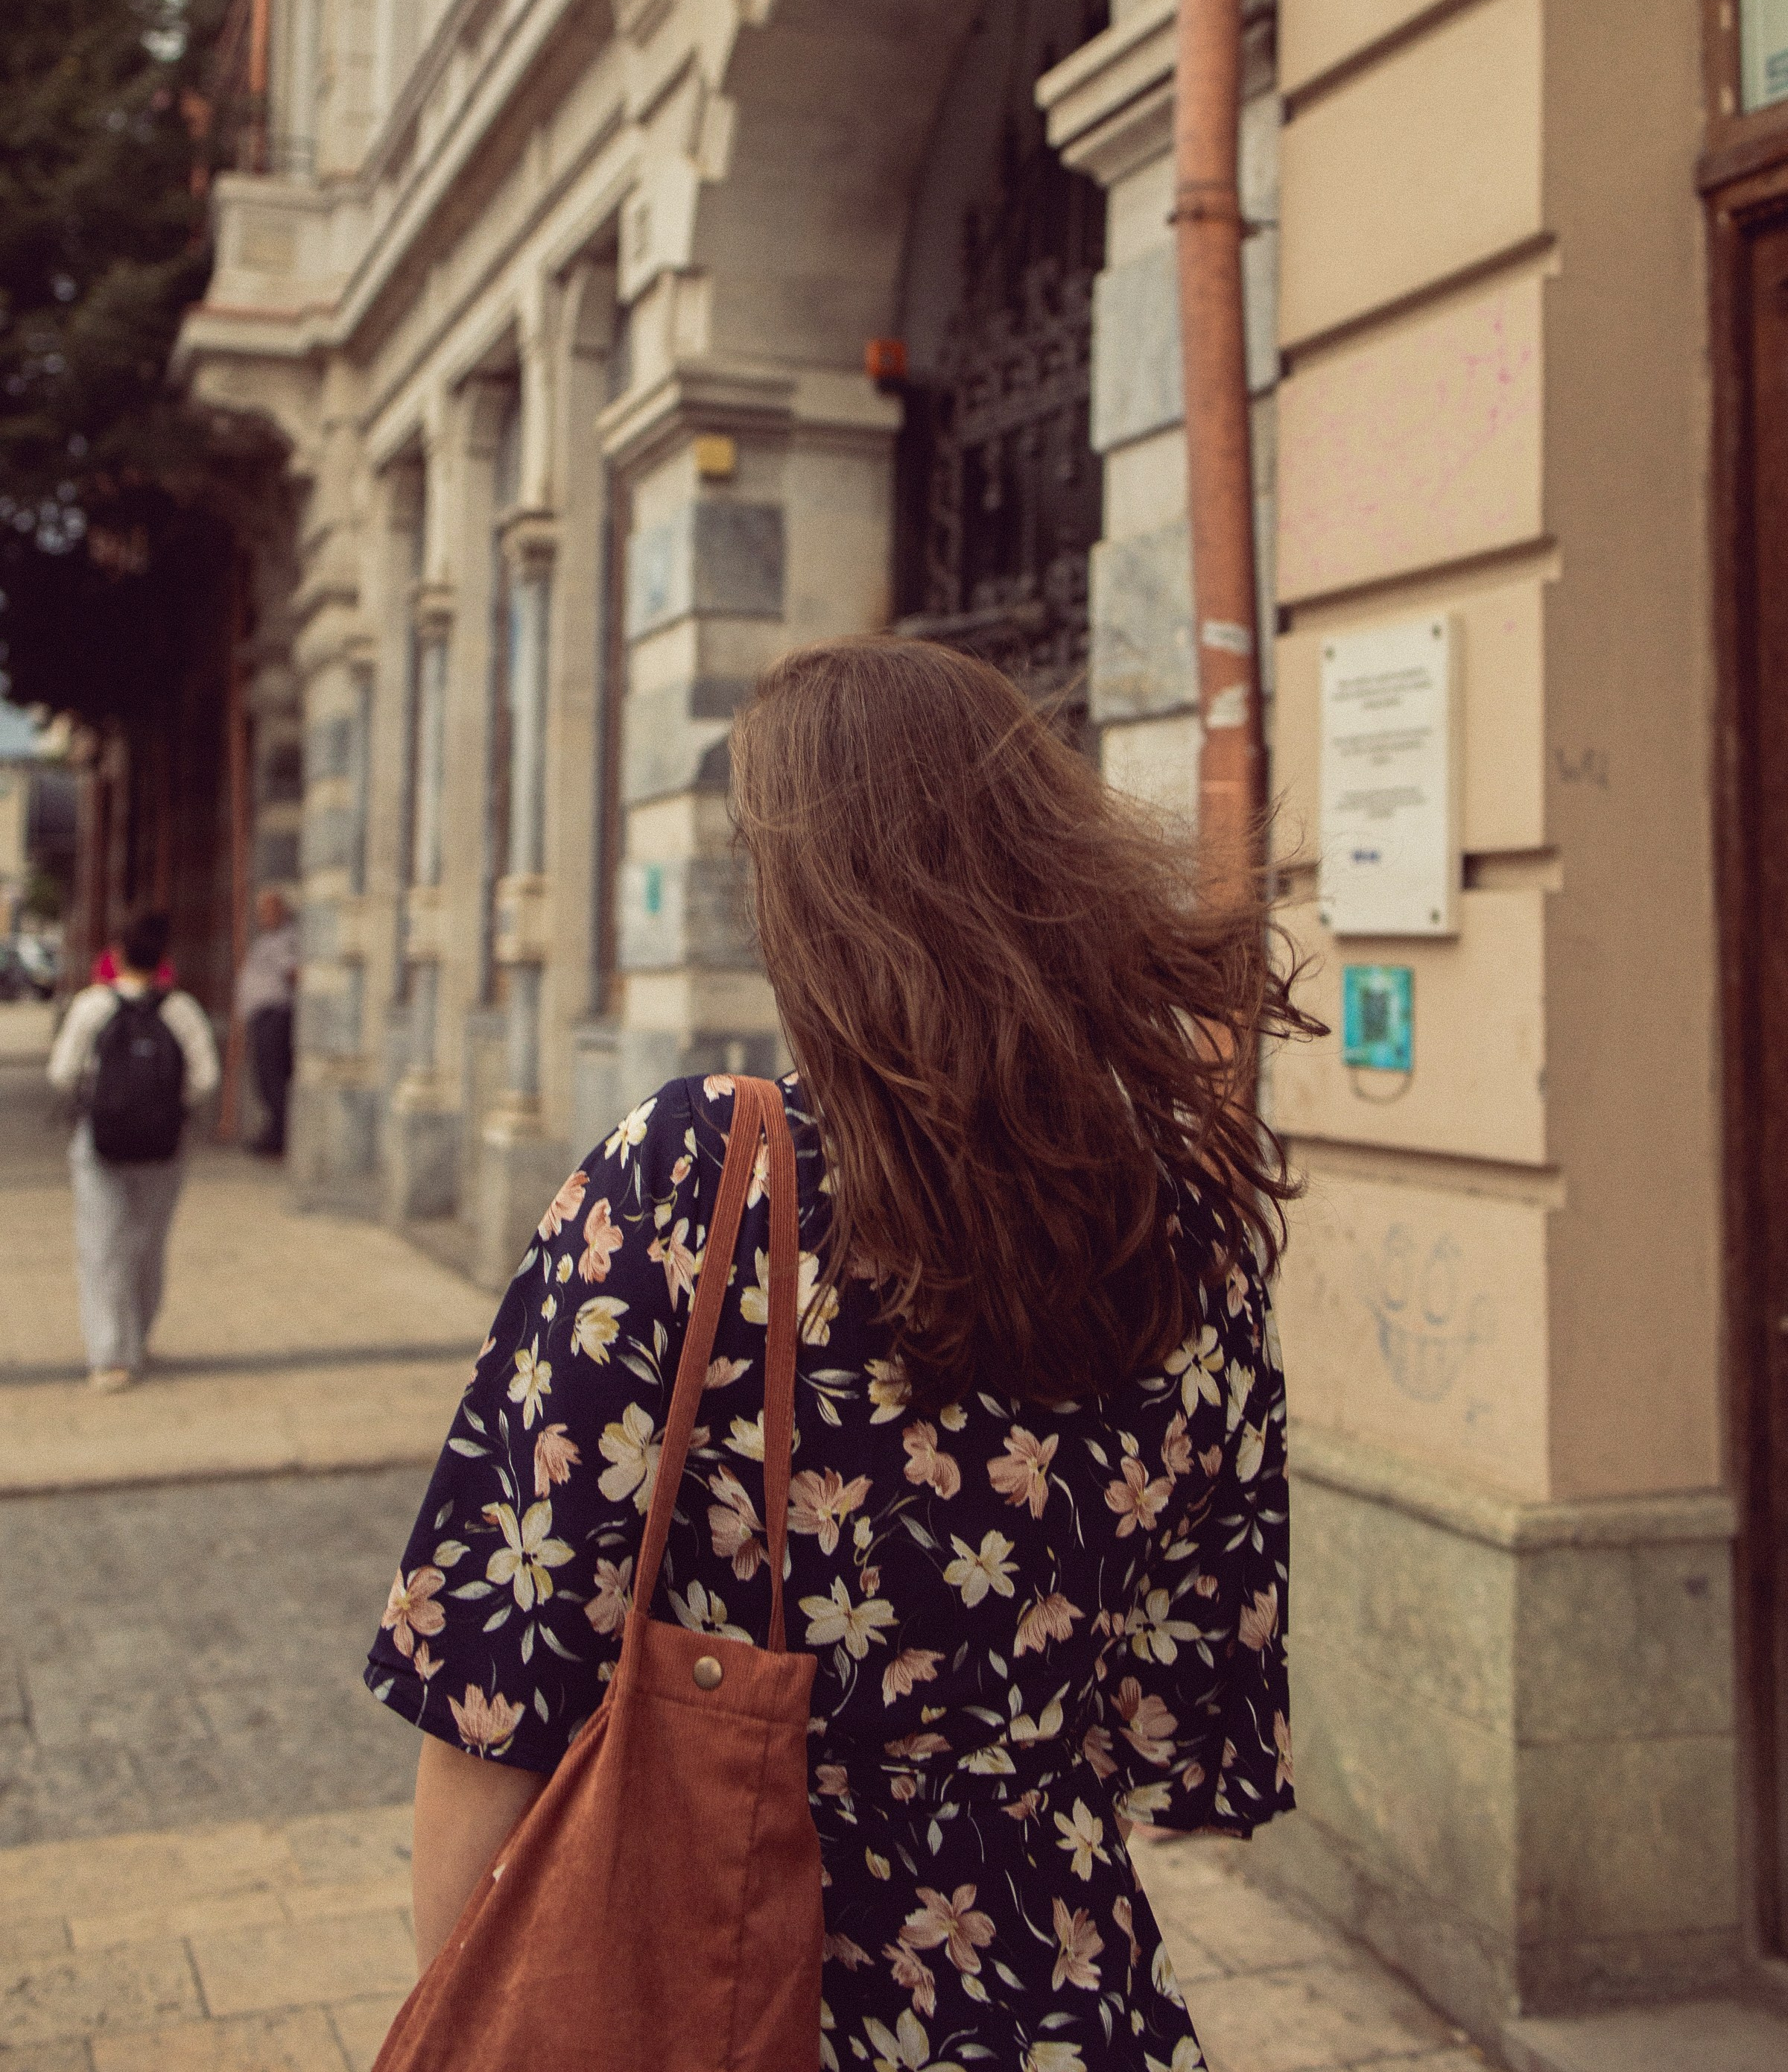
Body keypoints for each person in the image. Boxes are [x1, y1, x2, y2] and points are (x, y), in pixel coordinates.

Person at [364, 638, 1313, 2068]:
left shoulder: (698, 1178)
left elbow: (491, 1691)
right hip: (1063, 1999)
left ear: (818, 898)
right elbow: (1181, 1724)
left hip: (737, 1994)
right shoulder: (1188, 1226)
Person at [48, 908, 220, 1394]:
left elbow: (61, 1074)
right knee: (147, 1245)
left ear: (117, 953)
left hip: (99, 1145)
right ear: (163, 957)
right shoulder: (182, 1010)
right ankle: (138, 1339)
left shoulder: (91, 1007)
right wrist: (167, 1107)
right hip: (164, 1147)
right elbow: (205, 1080)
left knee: (102, 1247)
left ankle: (110, 1357)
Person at [235, 887, 299, 1157]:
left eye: (269, 910)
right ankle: (273, 1132)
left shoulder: (288, 938)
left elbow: (294, 972)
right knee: (263, 1076)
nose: (263, 916)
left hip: (275, 1016)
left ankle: (278, 1137)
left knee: (273, 1077)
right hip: (261, 1016)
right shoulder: (266, 939)